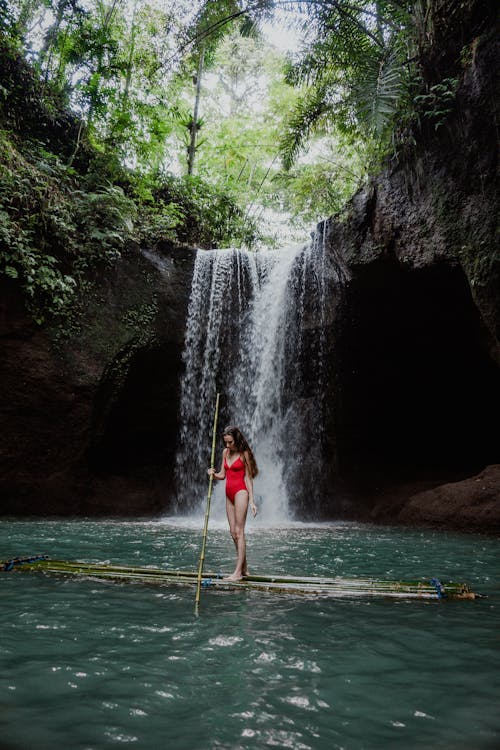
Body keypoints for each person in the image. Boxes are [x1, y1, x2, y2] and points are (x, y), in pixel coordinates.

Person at [208, 426, 258, 581]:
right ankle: (244, 567)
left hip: (240, 492)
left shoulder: (244, 454)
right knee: (232, 532)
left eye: (230, 442)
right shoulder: (225, 452)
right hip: (228, 493)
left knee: (239, 531)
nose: (228, 446)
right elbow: (223, 475)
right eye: (226, 442)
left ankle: (237, 573)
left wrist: (252, 501)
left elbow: (249, 479)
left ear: (237, 439)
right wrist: (213, 474)